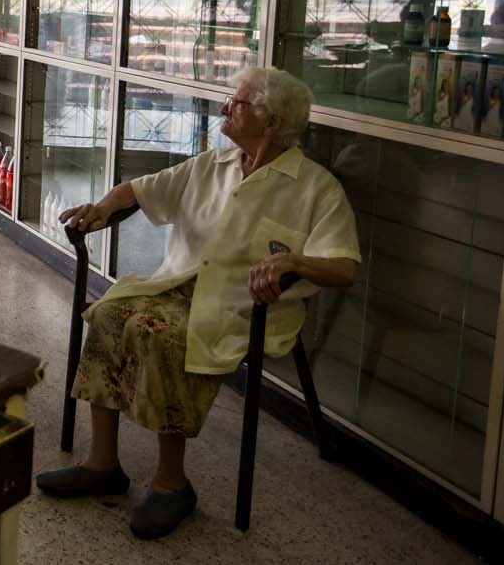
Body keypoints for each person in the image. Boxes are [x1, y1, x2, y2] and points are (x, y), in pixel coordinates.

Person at [38, 68, 360, 540]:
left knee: (164, 335)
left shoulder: (315, 187)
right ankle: (102, 462)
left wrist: (295, 261)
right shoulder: (215, 164)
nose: (227, 107)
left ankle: (173, 485)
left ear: (270, 122)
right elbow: (145, 188)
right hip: (179, 284)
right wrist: (103, 207)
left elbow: (344, 267)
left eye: (239, 102)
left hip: (246, 308)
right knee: (109, 313)